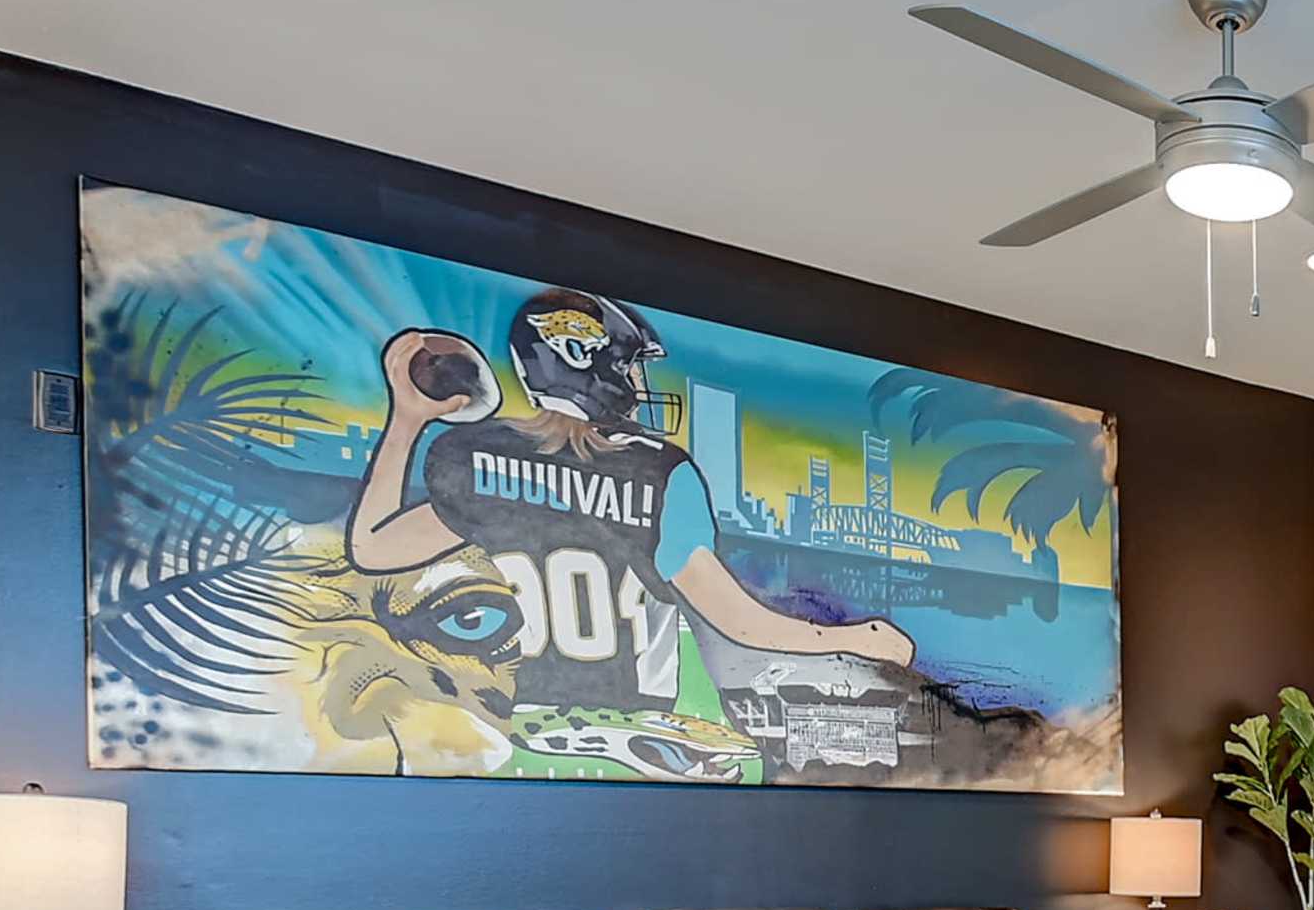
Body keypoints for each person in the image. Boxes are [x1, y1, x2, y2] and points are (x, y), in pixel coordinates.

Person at [346, 287, 909, 722]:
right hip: (637, 724)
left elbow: (371, 547)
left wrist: (407, 419)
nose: (637, 383)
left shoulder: (481, 461)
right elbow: (741, 622)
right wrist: (855, 639)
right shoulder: (660, 473)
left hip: (526, 719)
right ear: (590, 363)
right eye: (630, 366)